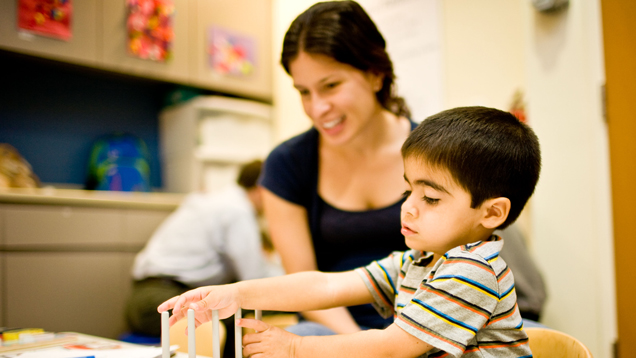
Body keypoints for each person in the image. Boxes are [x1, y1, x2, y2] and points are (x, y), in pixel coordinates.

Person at [159, 106, 540, 358]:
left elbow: (390, 346)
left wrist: (294, 347)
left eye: (431, 198)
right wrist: (234, 293)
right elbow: (326, 286)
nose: (408, 206)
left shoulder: (472, 270)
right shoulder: (418, 261)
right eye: (408, 190)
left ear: (492, 213)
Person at [258, 0, 415, 334]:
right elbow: (301, 282)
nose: (318, 108)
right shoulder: (287, 164)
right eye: (304, 92)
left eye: (331, 86)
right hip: (335, 329)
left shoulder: (438, 151)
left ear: (375, 74)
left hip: (429, 321)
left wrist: (406, 343)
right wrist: (366, 347)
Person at [125, 160, 282, 336]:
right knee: (275, 306)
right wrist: (299, 281)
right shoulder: (238, 211)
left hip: (143, 301)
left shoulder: (212, 200)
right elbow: (256, 279)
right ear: (263, 189)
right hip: (167, 302)